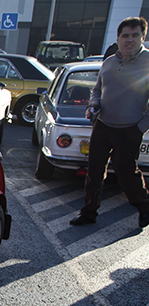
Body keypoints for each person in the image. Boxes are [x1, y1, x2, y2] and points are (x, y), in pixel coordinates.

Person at [69, 17, 149, 229]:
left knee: (126, 172)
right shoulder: (109, 62)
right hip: (103, 125)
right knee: (94, 172)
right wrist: (93, 105)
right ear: (118, 38)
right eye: (125, 36)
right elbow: (97, 90)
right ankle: (89, 212)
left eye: (135, 35)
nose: (129, 40)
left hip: (129, 129)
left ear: (143, 37)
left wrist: (141, 127)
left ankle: (144, 207)